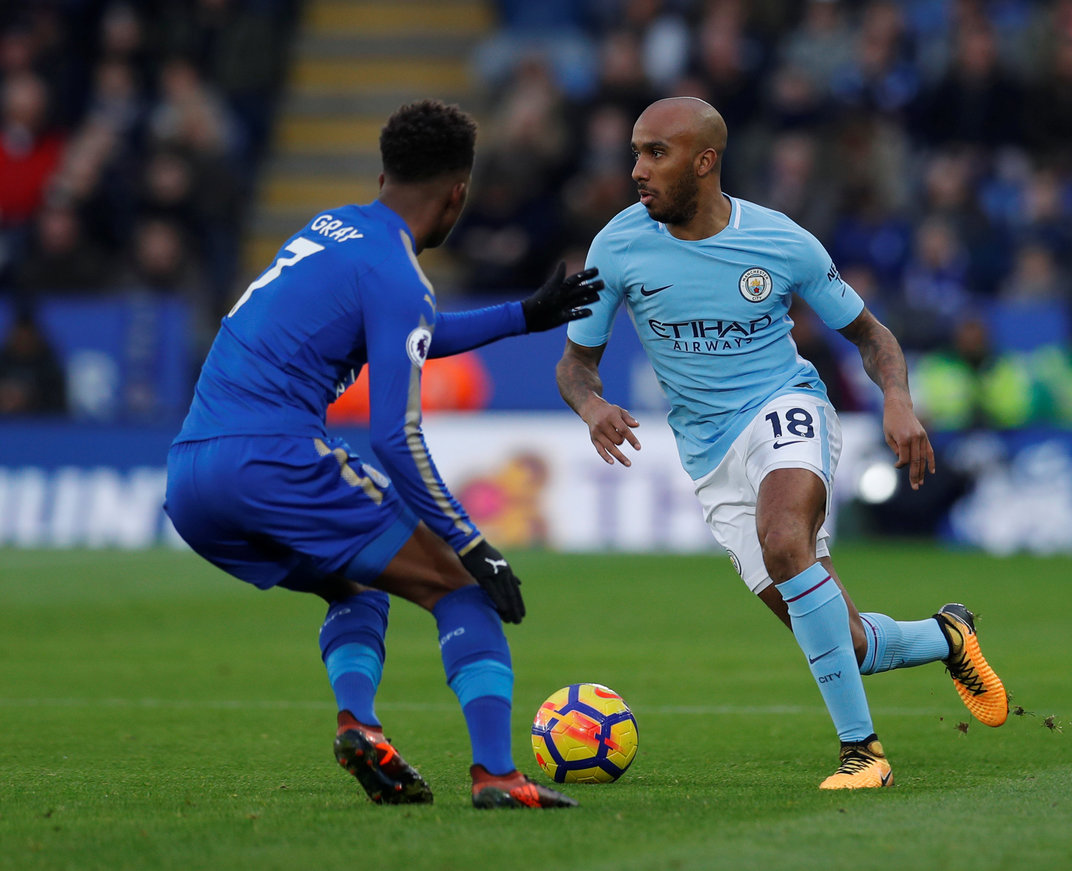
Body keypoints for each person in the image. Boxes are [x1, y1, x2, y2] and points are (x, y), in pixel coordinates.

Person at [555, 97, 1008, 790]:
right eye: (636, 153)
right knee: (844, 642)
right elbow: (575, 363)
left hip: (785, 406)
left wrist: (896, 399)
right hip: (709, 454)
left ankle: (863, 753)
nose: (638, 169)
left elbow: (871, 335)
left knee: (784, 538)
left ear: (704, 162)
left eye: (656, 153)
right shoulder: (616, 246)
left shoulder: (780, 242)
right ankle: (948, 635)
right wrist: (591, 405)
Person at [164, 99, 602, 810]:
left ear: (382, 176)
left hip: (190, 476)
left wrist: (522, 316)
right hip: (274, 459)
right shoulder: (396, 273)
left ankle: (360, 725)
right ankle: (497, 776)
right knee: (460, 587)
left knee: (355, 586)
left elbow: (406, 327)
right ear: (457, 194)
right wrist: (473, 544)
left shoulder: (331, 228)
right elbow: (395, 437)